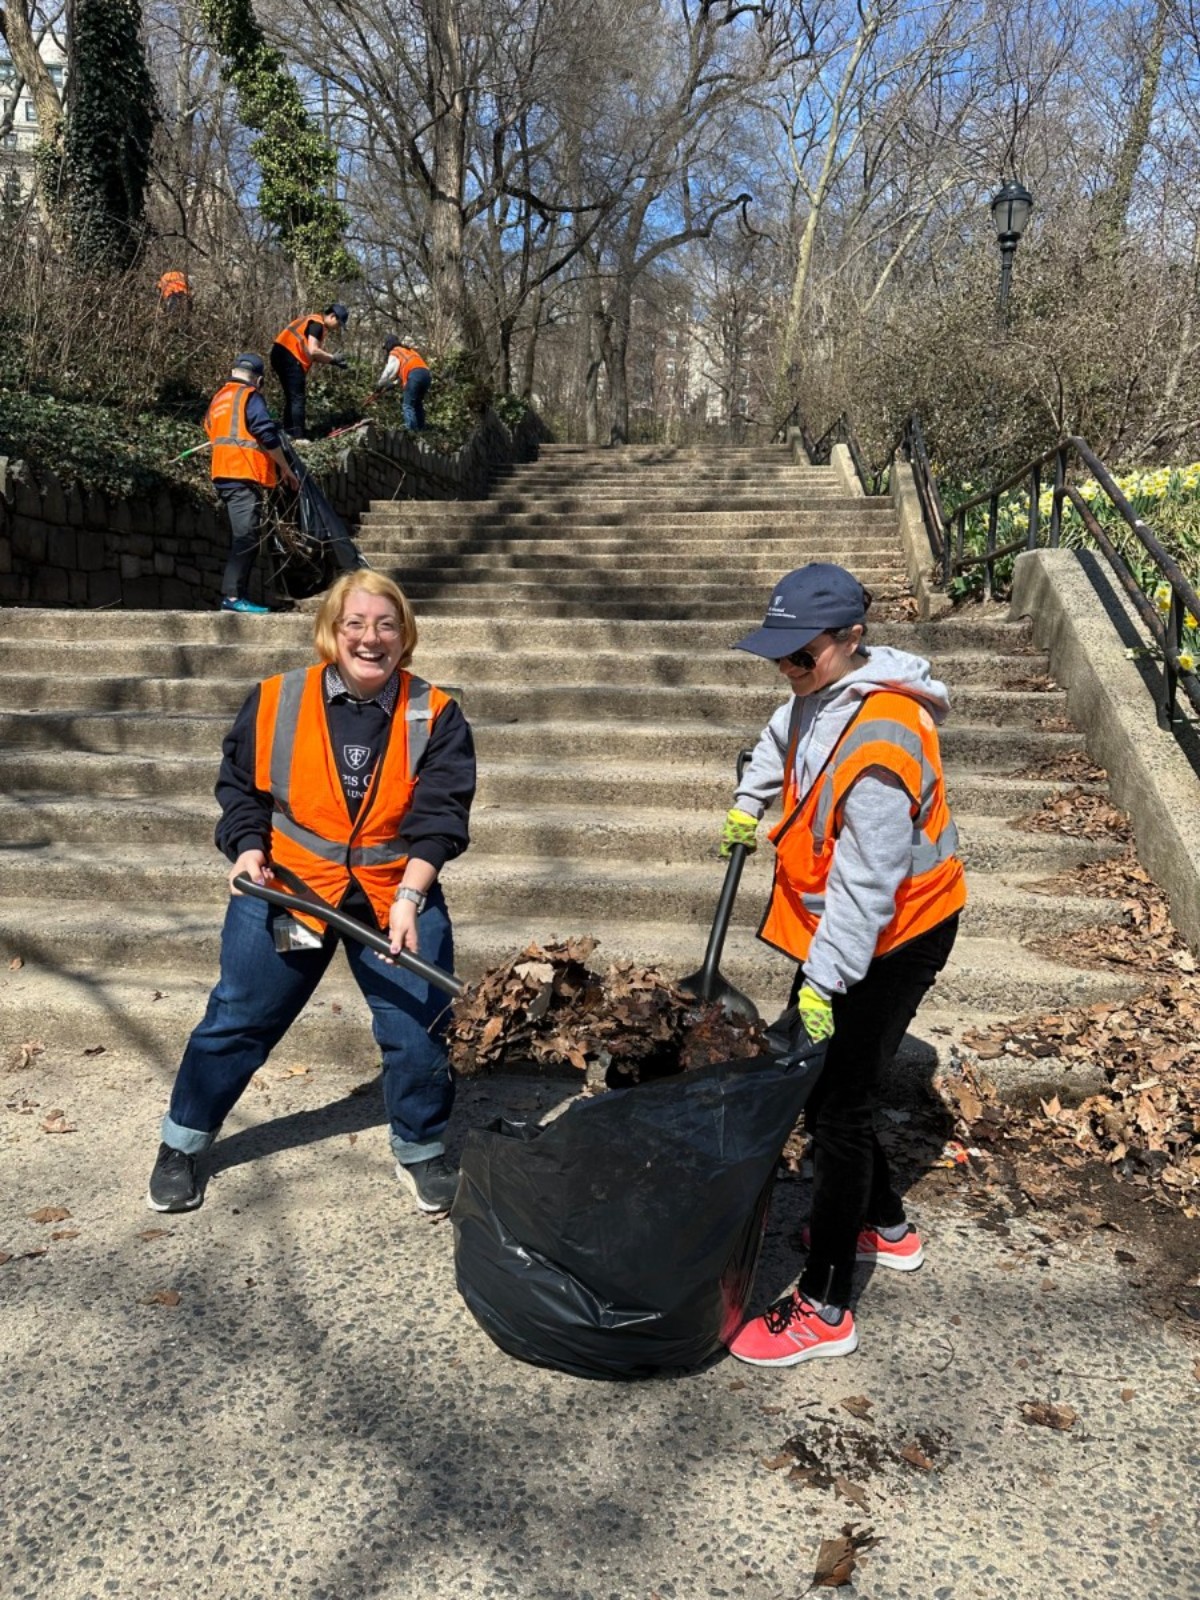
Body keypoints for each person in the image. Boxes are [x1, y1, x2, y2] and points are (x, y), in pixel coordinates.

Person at [146, 569, 476, 1216]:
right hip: (293, 894)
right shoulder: (275, 699)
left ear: (405, 636)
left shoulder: (435, 713)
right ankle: (181, 1143)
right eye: (355, 623)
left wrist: (411, 898)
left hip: (390, 897)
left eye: (386, 624)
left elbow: (440, 817)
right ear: (331, 631)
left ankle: (421, 1148)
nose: (370, 638)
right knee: (240, 1018)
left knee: (418, 1030)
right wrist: (246, 848)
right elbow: (241, 787)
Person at [721, 562, 966, 1367]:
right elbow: (779, 738)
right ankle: (883, 1225)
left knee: (836, 1106)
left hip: (900, 931)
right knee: (832, 1087)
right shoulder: (816, 694)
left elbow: (867, 886)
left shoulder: (886, 734)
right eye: (779, 654)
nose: (787, 668)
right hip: (858, 928)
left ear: (851, 640)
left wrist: (824, 982)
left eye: (802, 655)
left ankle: (826, 1304)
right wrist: (748, 802)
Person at [204, 353, 299, 615]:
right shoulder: (250, 397)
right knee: (246, 536)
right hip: (243, 474)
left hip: (223, 473)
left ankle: (236, 596)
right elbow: (265, 433)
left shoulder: (219, 398)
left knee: (244, 535)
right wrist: (285, 468)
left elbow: (209, 427)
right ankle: (233, 598)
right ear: (258, 380)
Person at [270, 303, 350, 437]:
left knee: (292, 397)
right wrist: (333, 357)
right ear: (332, 316)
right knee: (297, 398)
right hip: (290, 356)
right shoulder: (318, 325)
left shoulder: (311, 320)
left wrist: (333, 361)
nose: (338, 328)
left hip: (279, 353)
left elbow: (313, 354)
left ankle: (289, 432)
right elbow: (313, 351)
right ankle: (298, 436)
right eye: (339, 324)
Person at [376, 335, 431, 431]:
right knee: (417, 403)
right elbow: (407, 370)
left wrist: (380, 384)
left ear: (389, 345)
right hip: (426, 375)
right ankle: (421, 430)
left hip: (415, 375)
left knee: (407, 405)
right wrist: (392, 385)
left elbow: (389, 371)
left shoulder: (395, 352)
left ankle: (412, 433)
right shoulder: (408, 351)